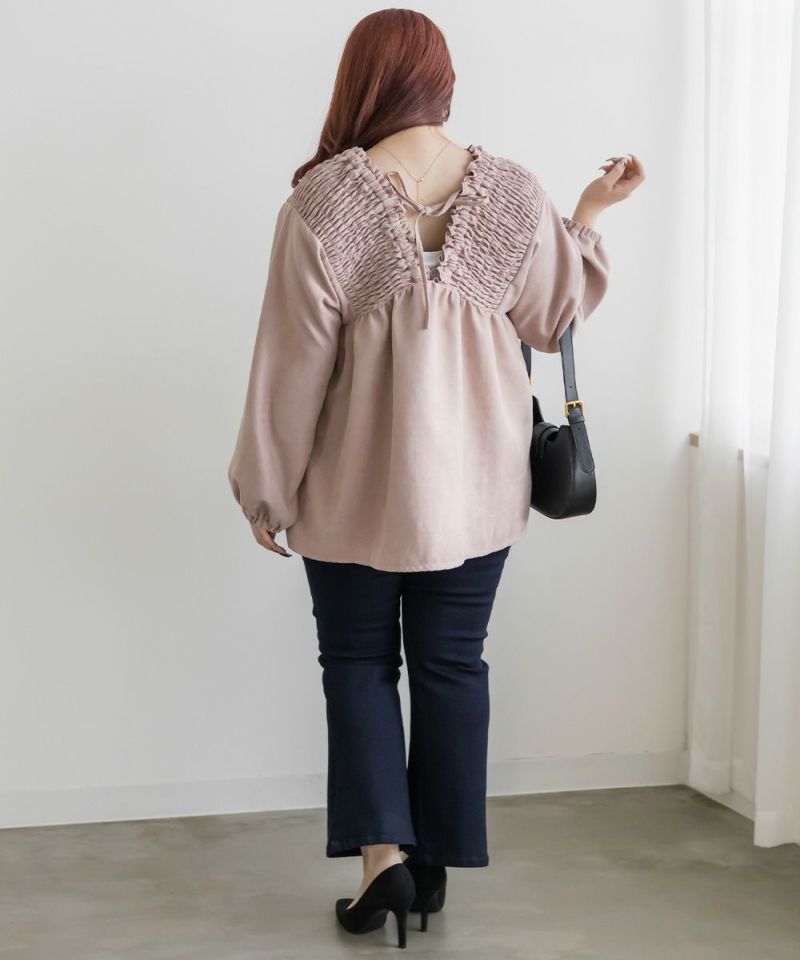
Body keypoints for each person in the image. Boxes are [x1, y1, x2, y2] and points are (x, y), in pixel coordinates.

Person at [227, 7, 644, 949]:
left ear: (360, 83)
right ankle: (438, 861)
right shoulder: (512, 193)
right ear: (442, 84)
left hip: (349, 497)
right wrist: (585, 216)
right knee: (455, 665)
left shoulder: (320, 203)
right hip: (476, 495)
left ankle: (385, 862)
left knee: (357, 666)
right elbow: (554, 319)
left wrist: (267, 488)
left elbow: (289, 370)